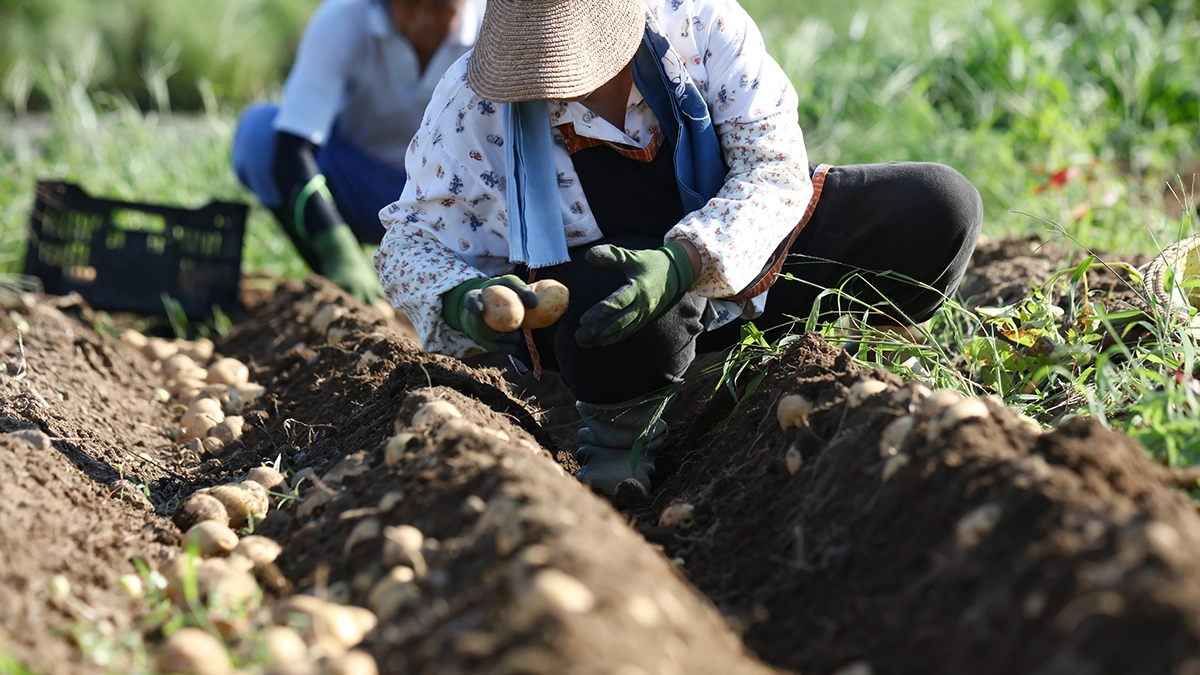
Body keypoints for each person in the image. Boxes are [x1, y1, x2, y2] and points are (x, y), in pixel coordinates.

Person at [374, 0, 983, 499]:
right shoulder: (475, 101)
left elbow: (773, 171)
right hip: (622, 320)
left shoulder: (701, 25)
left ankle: (838, 348)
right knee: (604, 299)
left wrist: (684, 262)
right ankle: (619, 433)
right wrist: (464, 299)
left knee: (936, 205)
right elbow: (409, 241)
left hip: (756, 266)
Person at [231, 0, 485, 303]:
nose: (424, 21)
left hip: (448, 199)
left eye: (440, 8)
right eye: (411, 6)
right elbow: (292, 149)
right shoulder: (344, 18)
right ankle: (338, 279)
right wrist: (337, 248)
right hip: (357, 187)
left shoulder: (493, 27)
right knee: (259, 137)